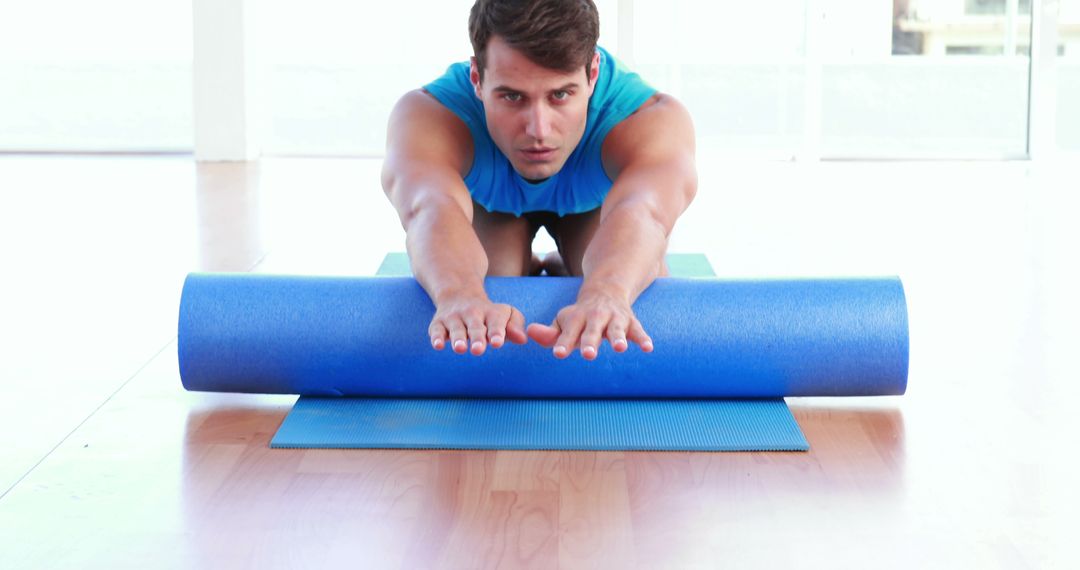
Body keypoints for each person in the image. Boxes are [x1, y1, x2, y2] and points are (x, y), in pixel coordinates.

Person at [381, 0, 696, 360]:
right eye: (512, 96)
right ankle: (526, 262)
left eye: (560, 95)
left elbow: (646, 212)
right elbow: (430, 207)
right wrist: (459, 295)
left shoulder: (646, 118)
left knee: (632, 280)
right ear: (477, 80)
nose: (538, 130)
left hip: (595, 210)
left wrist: (607, 292)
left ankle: (566, 265)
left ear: (592, 74)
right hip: (491, 209)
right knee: (493, 282)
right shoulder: (430, 115)